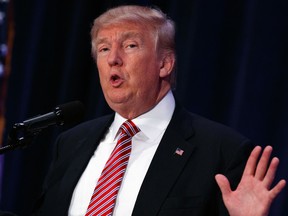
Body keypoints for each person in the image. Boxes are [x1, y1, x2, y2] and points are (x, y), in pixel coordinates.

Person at [33, 5, 286, 216]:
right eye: (103, 48)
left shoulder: (221, 150)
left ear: (164, 63)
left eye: (130, 45)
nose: (113, 59)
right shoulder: (71, 143)